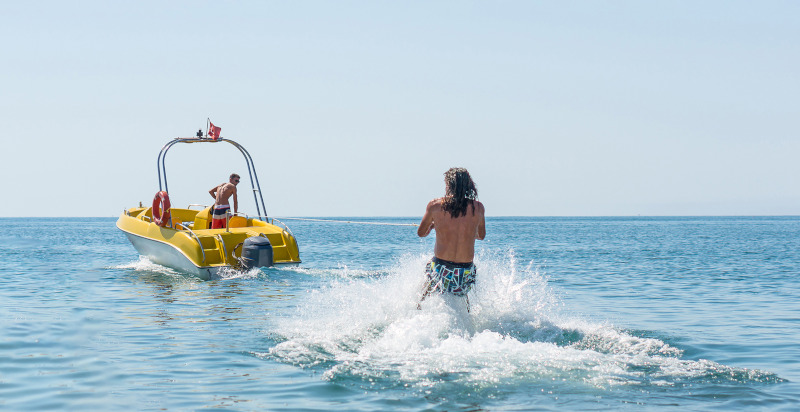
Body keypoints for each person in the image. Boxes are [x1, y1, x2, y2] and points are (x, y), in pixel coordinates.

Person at [417, 167, 486, 312]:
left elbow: (421, 233)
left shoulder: (435, 206)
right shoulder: (478, 208)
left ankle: (416, 314)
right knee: (464, 300)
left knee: (422, 298)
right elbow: (481, 236)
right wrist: (467, 230)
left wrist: (434, 226)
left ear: (448, 185)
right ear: (468, 185)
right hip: (465, 273)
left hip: (441, 270)